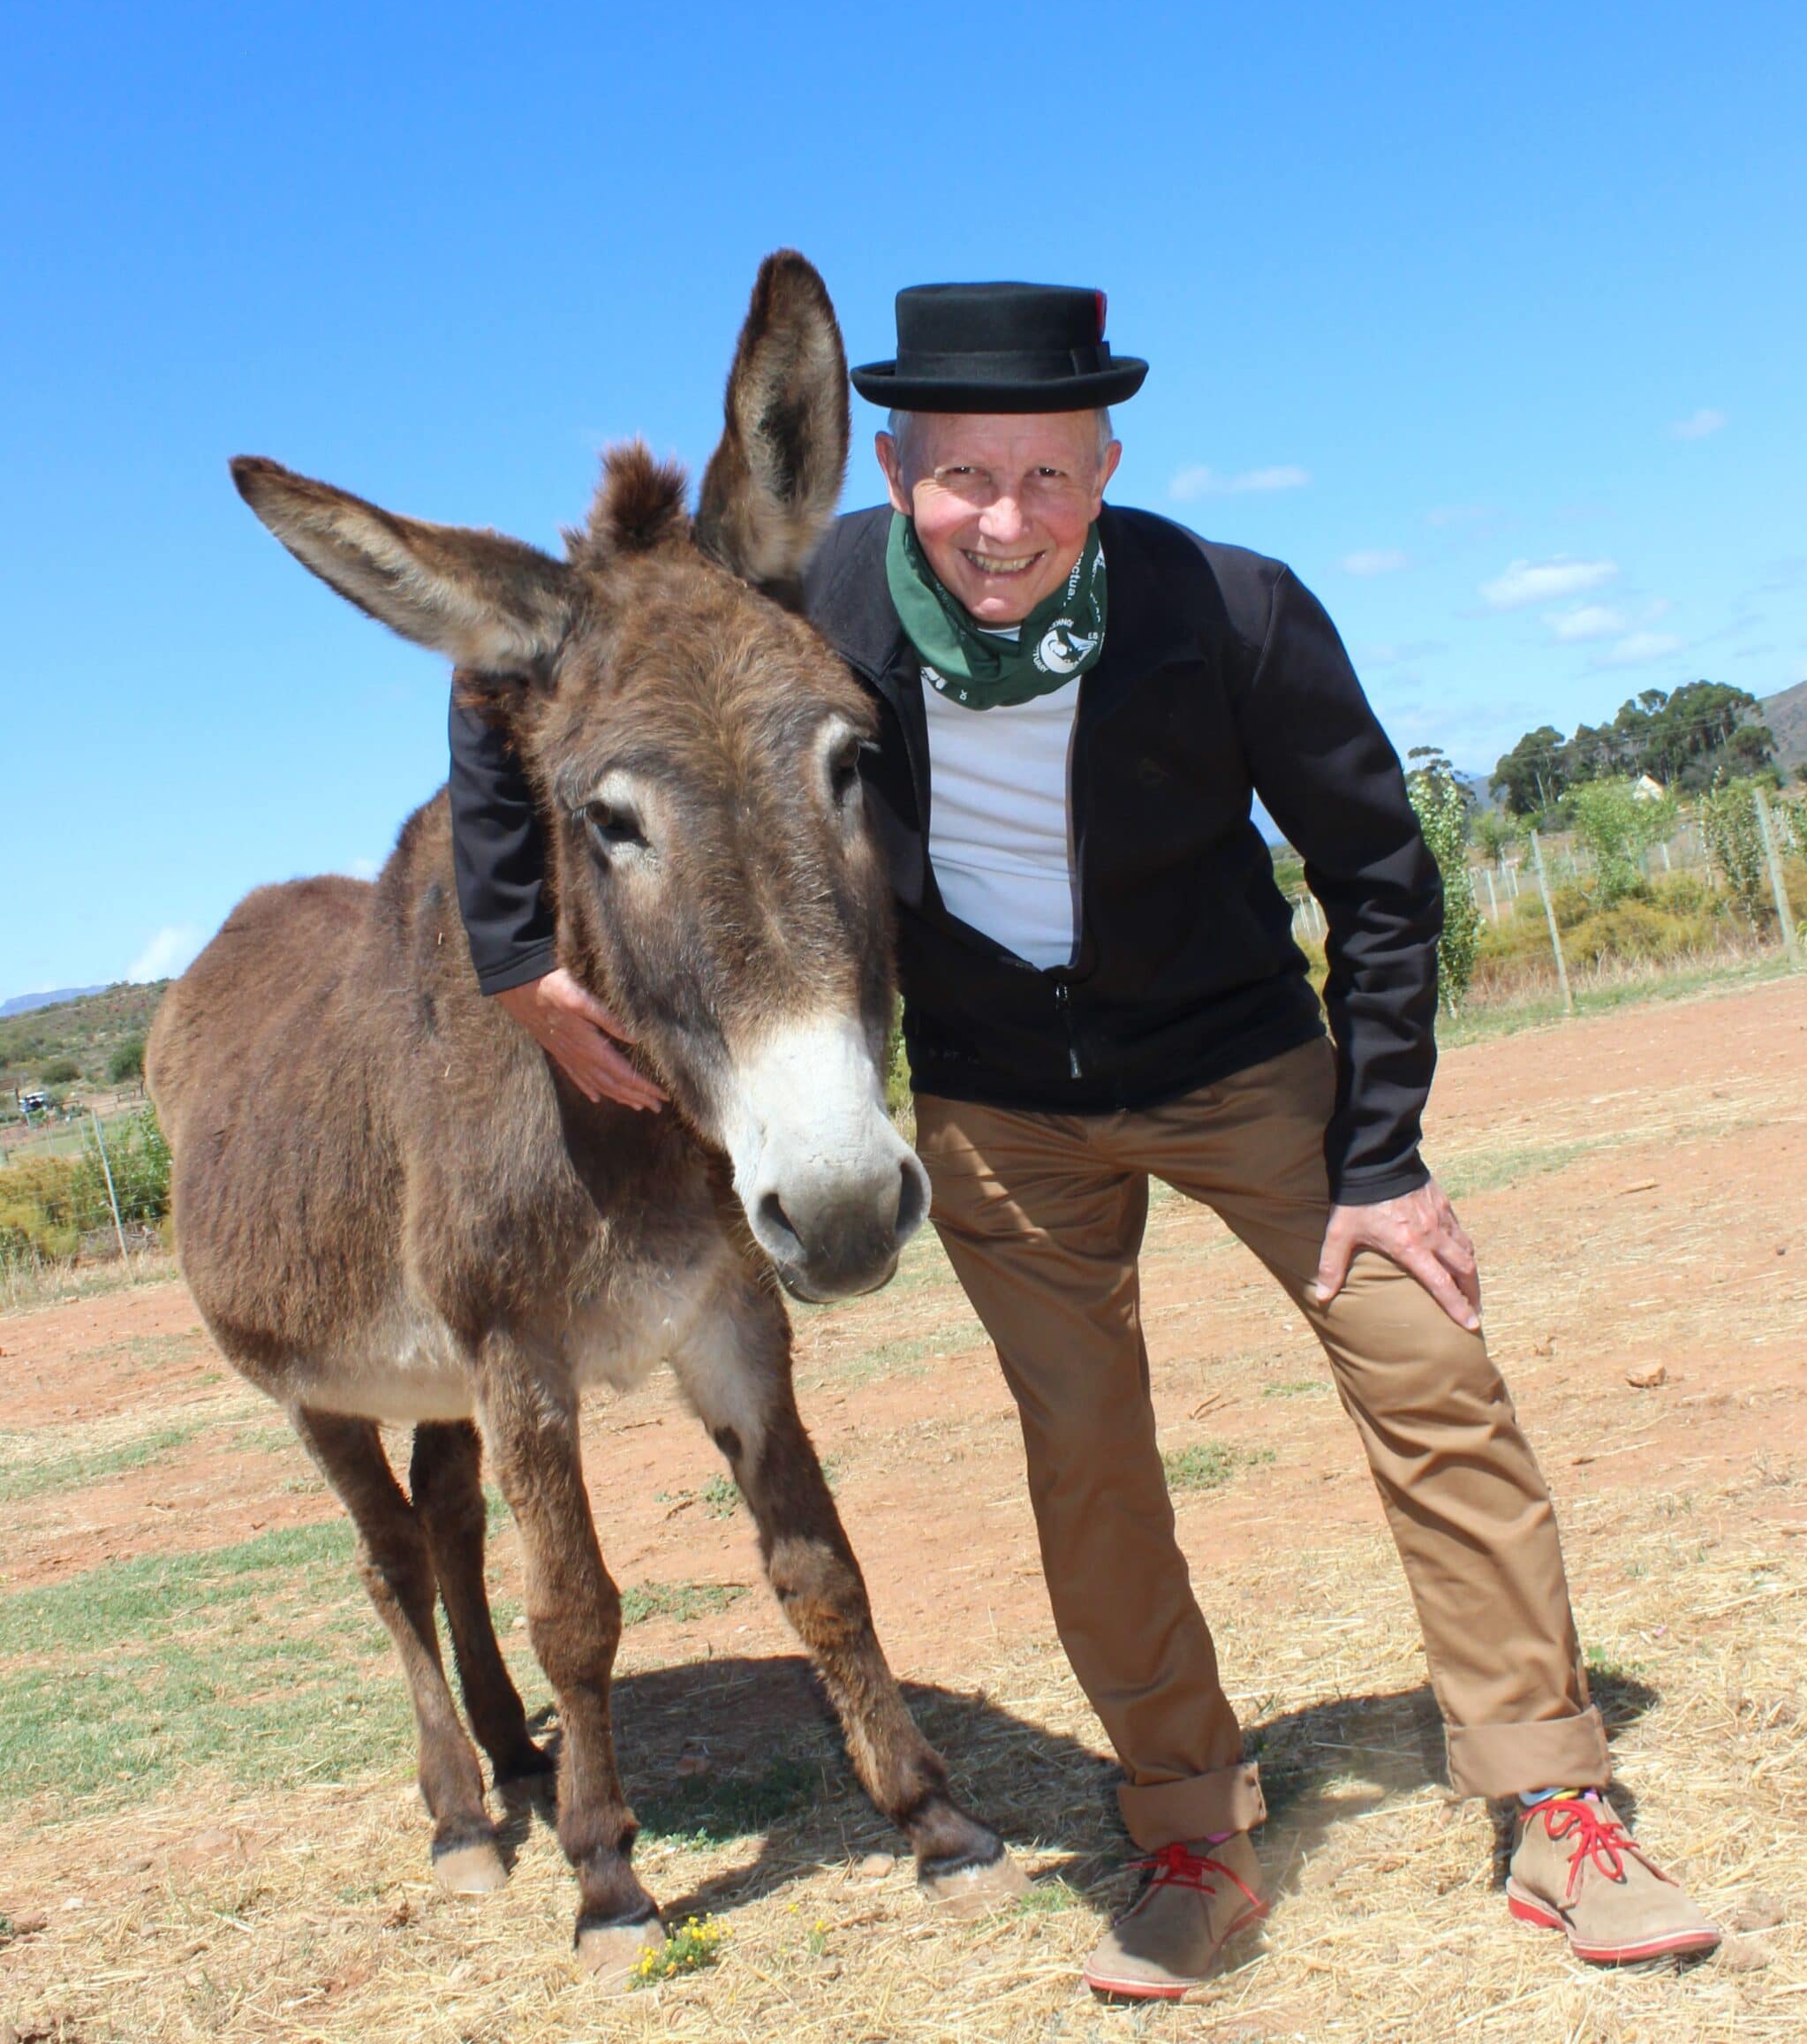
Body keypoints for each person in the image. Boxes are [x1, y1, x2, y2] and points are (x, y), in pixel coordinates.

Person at [447, 280, 1720, 1997]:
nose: (1004, 518)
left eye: (1048, 475)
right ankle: (1190, 1828)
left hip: (1238, 1062)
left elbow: (1378, 874)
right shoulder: (802, 600)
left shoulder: (1231, 612)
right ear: (884, 470)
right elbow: (517, 659)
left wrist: (1382, 1147)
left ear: (1107, 460)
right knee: (1088, 1460)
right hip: (999, 1108)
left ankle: (1553, 1796)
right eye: (964, 476)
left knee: (1428, 1370)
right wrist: (513, 946)